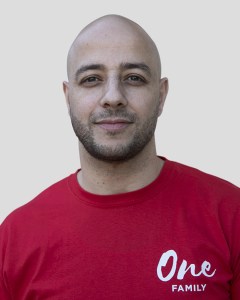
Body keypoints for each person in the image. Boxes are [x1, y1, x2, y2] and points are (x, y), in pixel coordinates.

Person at [0, 14, 239, 300]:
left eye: (134, 78)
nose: (113, 96)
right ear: (68, 96)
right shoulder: (15, 238)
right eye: (91, 79)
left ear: (161, 96)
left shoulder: (230, 215)